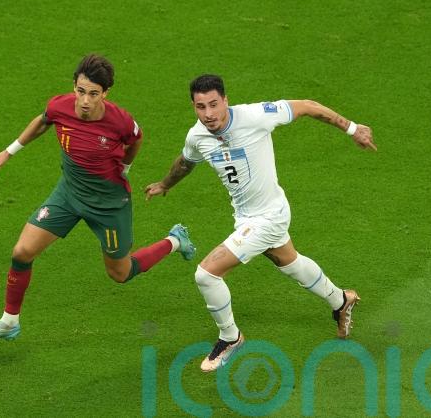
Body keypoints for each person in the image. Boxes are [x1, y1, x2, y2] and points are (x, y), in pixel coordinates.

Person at [145, 74, 377, 372]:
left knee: (206, 274)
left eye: (214, 104)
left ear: (225, 100)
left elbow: (307, 106)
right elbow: (185, 162)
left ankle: (230, 338)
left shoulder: (255, 116)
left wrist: (353, 128)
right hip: (246, 216)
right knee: (289, 262)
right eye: (201, 107)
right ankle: (341, 300)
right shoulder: (197, 136)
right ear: (193, 106)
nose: (209, 114)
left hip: (269, 216)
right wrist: (165, 184)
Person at [0, 54, 196, 345]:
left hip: (108, 204)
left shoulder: (120, 121)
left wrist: (126, 167)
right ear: (74, 87)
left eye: (93, 93)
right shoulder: (60, 106)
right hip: (69, 193)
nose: (85, 100)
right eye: (80, 91)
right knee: (22, 252)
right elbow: (43, 121)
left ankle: (175, 241)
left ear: (105, 93)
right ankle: (9, 322)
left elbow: (136, 139)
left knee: (120, 273)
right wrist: (8, 151)